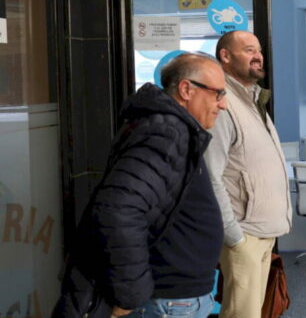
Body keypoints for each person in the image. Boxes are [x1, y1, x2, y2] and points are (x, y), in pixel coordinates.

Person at [52, 52, 228, 318]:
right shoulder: (166, 134)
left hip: (177, 297)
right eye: (218, 93)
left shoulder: (176, 130)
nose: (223, 104)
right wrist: (131, 294)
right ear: (186, 89)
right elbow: (118, 212)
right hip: (166, 301)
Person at [204, 30, 292, 318]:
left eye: (259, 50)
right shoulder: (223, 103)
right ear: (225, 56)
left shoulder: (253, 99)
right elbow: (210, 175)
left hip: (261, 232)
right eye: (248, 50)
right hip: (244, 234)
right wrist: (234, 236)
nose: (258, 56)